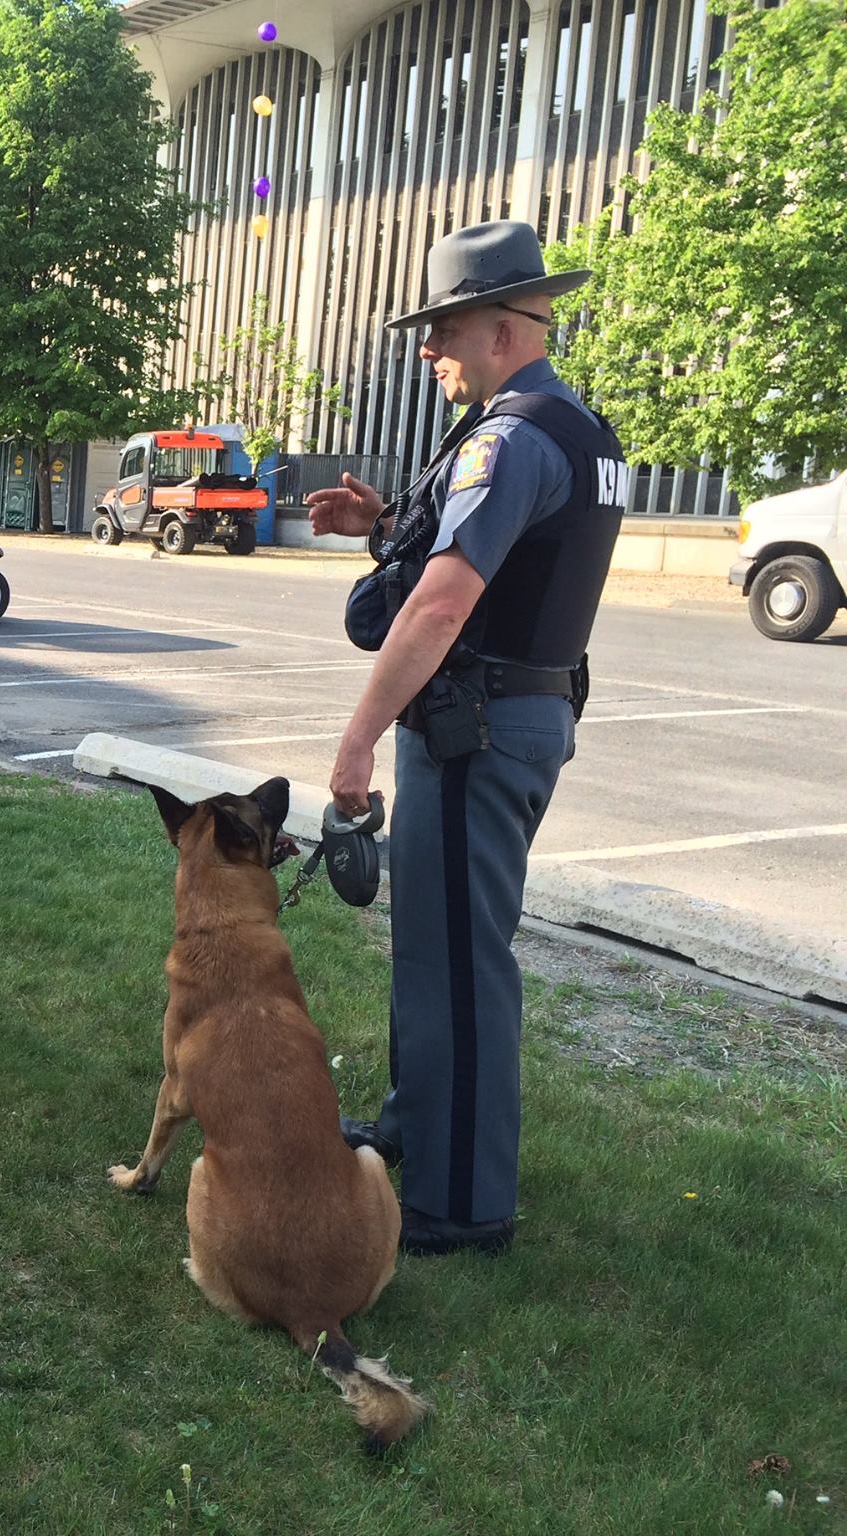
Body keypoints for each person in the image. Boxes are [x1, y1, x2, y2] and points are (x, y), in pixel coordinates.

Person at [306, 221, 630, 1257]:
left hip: (473, 727)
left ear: (501, 327)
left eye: (438, 329)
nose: (424, 349)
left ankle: (460, 1202)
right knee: (437, 946)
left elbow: (443, 605)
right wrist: (377, 524)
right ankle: (419, 1129)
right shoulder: (571, 426)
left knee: (457, 960)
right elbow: (502, 556)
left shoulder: (508, 436)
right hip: (515, 714)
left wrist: (357, 740)